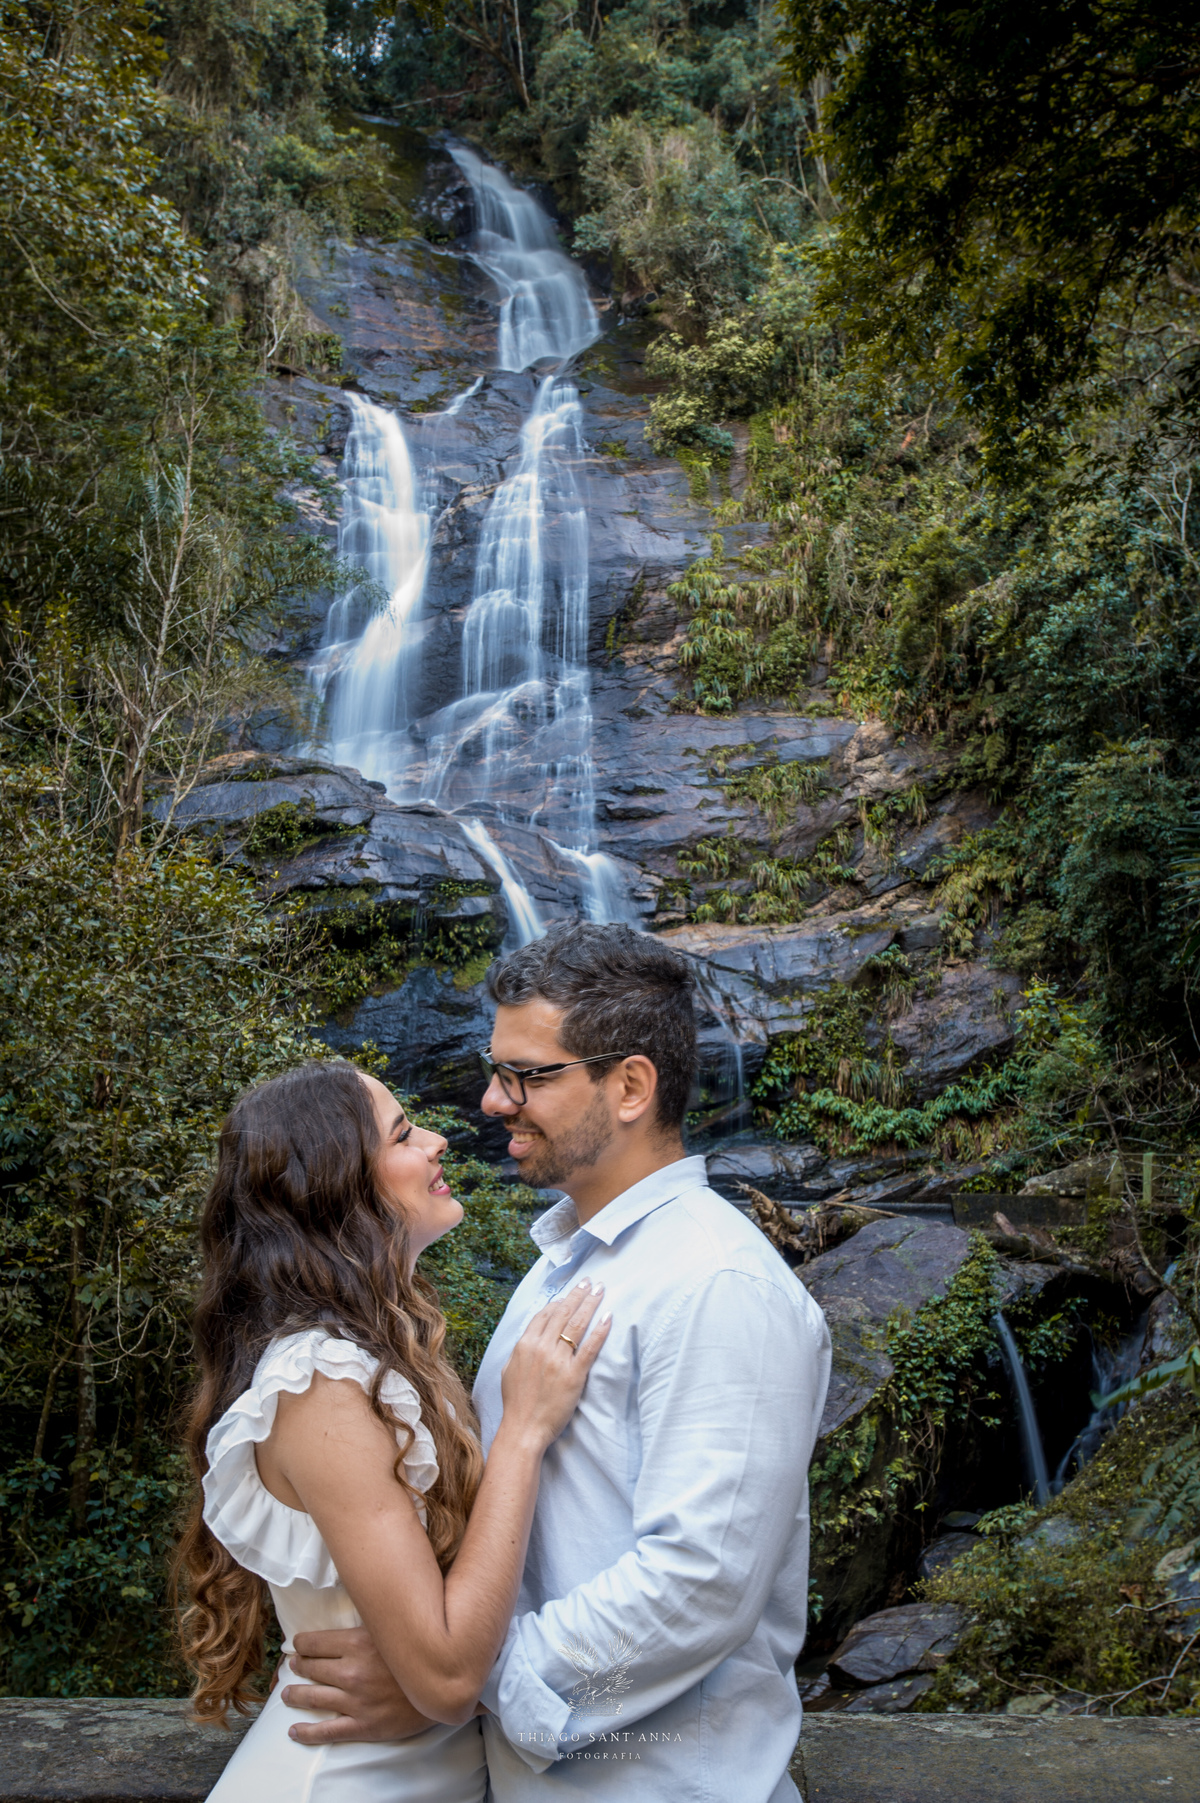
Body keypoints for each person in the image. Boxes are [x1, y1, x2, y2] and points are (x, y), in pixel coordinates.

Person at [281, 922, 832, 1802]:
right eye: (497, 1071)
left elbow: (700, 1585)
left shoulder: (718, 1284)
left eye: (526, 1076)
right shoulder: (561, 1265)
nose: (493, 1102)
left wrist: (458, 1684)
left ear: (630, 1086)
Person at [174, 1058, 610, 1803]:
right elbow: (443, 1671)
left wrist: (461, 1693)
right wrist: (524, 1431)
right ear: (338, 1184)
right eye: (405, 1133)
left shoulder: (374, 1356)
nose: (440, 1139)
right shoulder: (319, 1385)